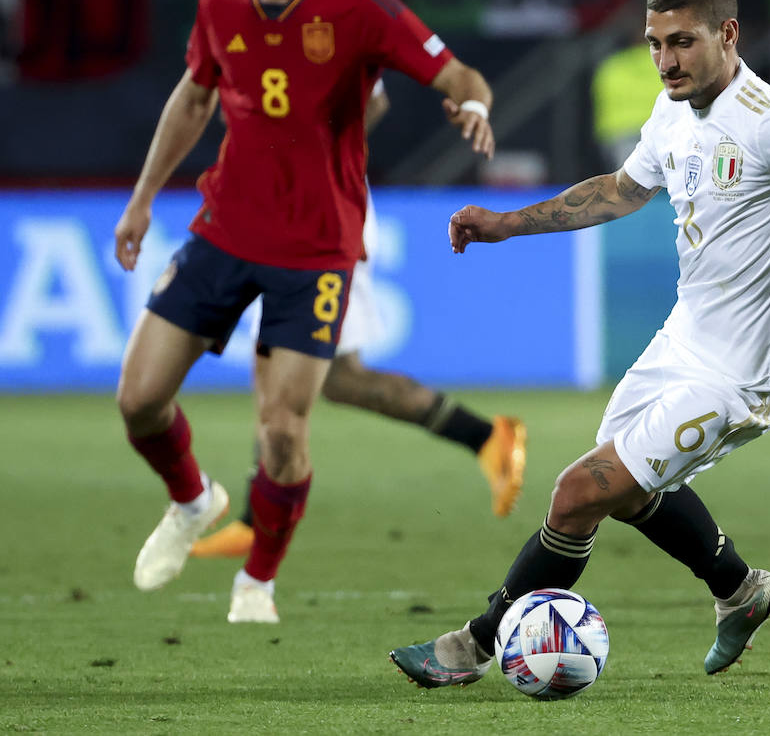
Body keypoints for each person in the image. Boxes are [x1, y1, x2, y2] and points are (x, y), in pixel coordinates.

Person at [388, 0, 770, 687]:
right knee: (625, 491)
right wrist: (507, 224)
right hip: (681, 344)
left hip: (742, 375)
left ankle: (471, 646)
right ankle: (739, 589)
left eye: (682, 42)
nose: (665, 61)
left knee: (578, 494)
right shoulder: (673, 110)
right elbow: (618, 191)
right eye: (655, 43)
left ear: (727, 34)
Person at [113, 0, 497, 625]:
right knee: (139, 400)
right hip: (223, 231)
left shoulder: (362, 8)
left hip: (317, 249)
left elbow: (458, 75)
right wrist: (142, 198)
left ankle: (256, 581)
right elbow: (193, 100)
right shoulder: (219, 3)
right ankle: (193, 500)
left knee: (282, 430)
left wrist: (475, 108)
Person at [190, 78, 526, 560]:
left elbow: (374, 98)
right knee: (339, 378)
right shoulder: (252, 16)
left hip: (327, 207)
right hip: (286, 201)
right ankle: (486, 436)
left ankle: (256, 523)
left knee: (283, 362)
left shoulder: (326, 10)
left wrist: (314, 158)